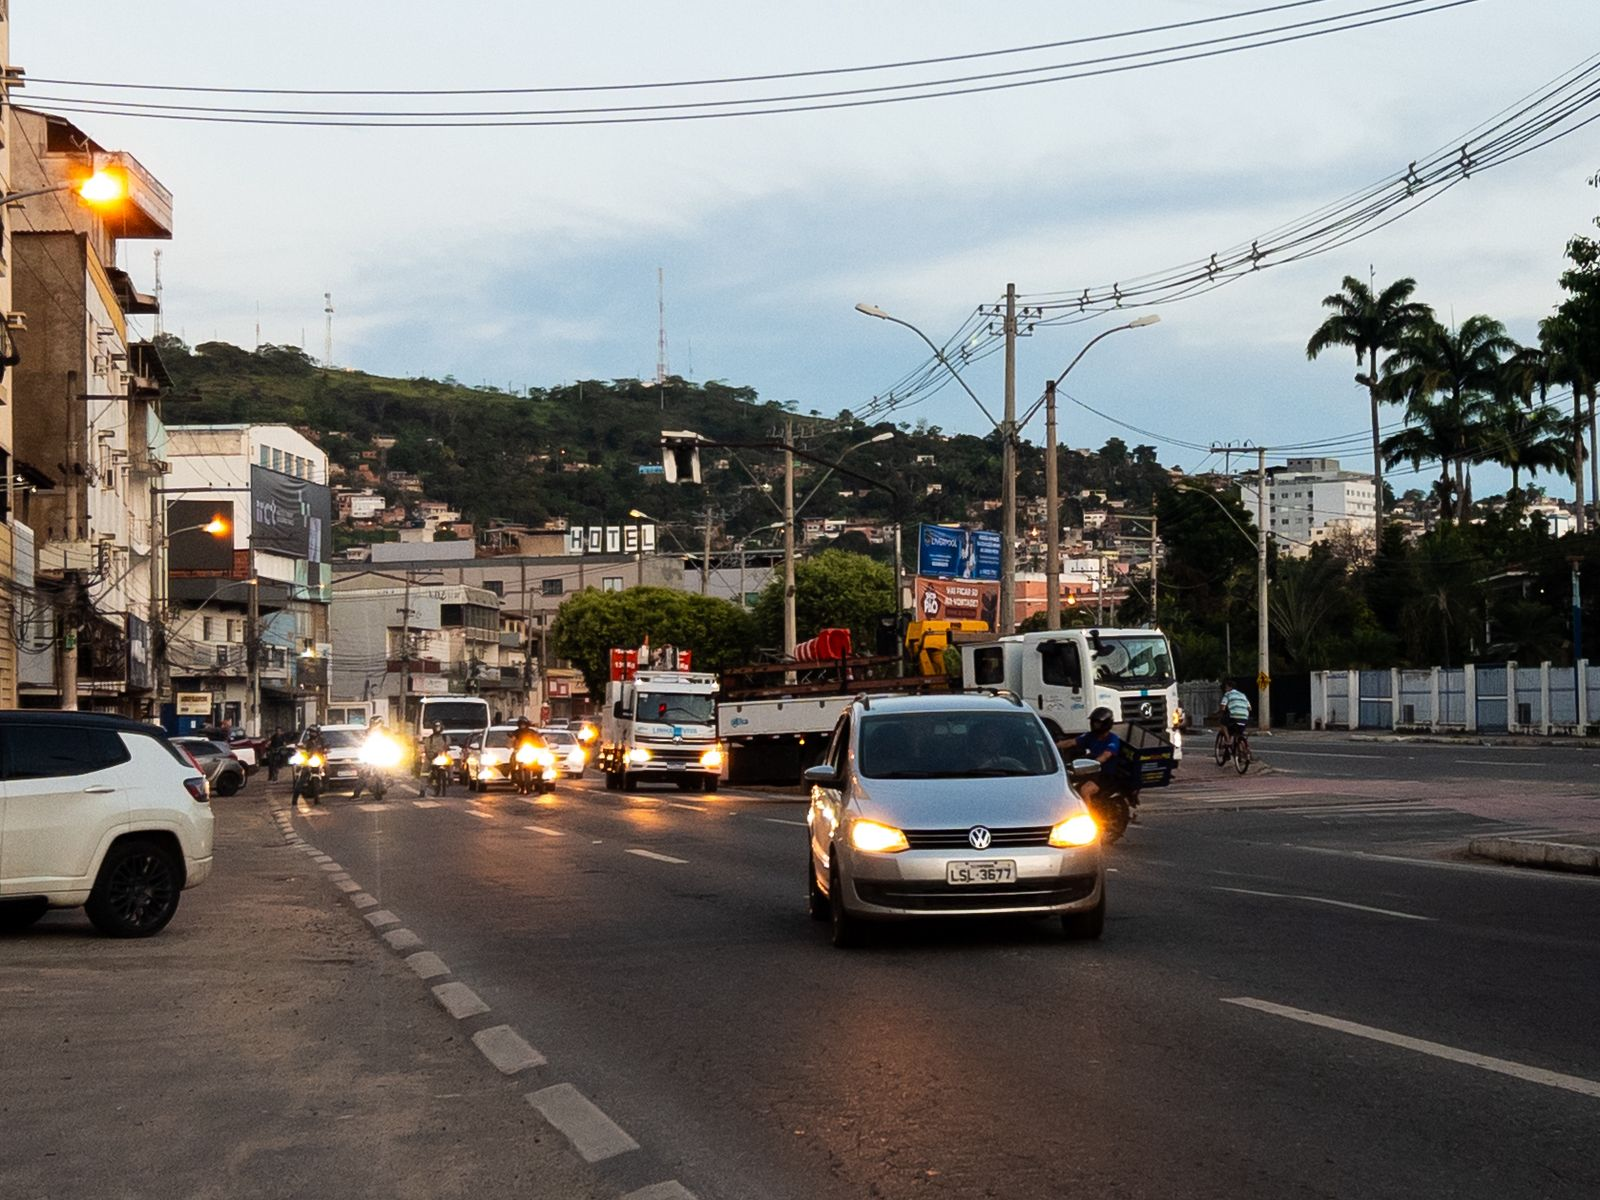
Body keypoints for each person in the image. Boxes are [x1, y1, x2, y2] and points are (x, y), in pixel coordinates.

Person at [1070, 707, 1126, 805]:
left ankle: (1088, 814)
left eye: (1097, 723)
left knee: (1085, 790)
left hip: (1105, 776)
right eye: (1094, 722)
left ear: (1106, 724)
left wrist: (1092, 764)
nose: (1094, 725)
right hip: (1092, 772)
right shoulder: (1090, 736)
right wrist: (1050, 745)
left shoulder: (1112, 740)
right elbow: (1071, 742)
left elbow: (1105, 756)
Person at [291, 725, 328, 804]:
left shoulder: (321, 741)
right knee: (301, 780)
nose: (312, 734)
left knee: (327, 771)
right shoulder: (307, 742)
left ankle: (319, 795)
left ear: (318, 733)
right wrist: (301, 750)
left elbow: (326, 748)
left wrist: (325, 750)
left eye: (314, 732)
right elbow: (302, 749)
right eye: (311, 732)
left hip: (318, 762)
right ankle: (294, 800)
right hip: (308, 762)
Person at [1218, 681, 1252, 748]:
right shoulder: (1242, 695)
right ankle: (1244, 749)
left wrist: (1219, 713)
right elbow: (1249, 708)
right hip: (1245, 718)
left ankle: (1228, 740)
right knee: (1238, 732)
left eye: (1226, 687)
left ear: (1230, 687)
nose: (1225, 689)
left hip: (1234, 717)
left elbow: (1223, 707)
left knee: (1223, 723)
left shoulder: (1228, 694)